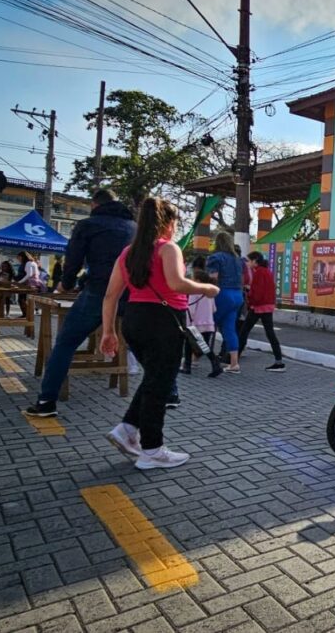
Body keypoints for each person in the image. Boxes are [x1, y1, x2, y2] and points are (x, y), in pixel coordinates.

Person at [100, 197, 218, 469]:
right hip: (163, 321)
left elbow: (110, 296)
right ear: (167, 223)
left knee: (154, 379)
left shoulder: (128, 253)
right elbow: (177, 283)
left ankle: (128, 429)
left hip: (134, 319)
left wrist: (109, 331)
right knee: (160, 386)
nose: (176, 228)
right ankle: (152, 450)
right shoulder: (168, 249)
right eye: (175, 222)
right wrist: (206, 289)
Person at [22, 189, 135, 418]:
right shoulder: (135, 228)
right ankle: (170, 395)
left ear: (94, 205)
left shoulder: (87, 225)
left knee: (65, 343)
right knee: (142, 345)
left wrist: (64, 285)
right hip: (132, 295)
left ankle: (46, 402)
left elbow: (73, 261)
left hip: (98, 293)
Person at [237, 251, 286, 371]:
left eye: (249, 261)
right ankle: (278, 361)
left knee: (243, 332)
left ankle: (233, 359)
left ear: (255, 261)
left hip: (259, 306)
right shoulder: (266, 271)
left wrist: (249, 296)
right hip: (267, 305)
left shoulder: (259, 272)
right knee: (270, 334)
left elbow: (257, 294)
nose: (248, 263)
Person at [206, 231, 245, 373]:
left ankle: (193, 358)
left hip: (222, 294)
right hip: (237, 295)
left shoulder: (215, 258)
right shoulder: (238, 260)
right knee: (229, 329)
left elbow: (213, 277)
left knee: (206, 325)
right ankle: (234, 363)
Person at [181, 269, 221, 378]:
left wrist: (187, 322)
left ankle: (187, 366)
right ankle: (215, 364)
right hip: (208, 323)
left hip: (196, 324)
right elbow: (214, 309)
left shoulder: (194, 292)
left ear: (197, 280)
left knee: (188, 345)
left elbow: (191, 310)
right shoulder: (209, 292)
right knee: (205, 346)